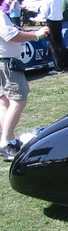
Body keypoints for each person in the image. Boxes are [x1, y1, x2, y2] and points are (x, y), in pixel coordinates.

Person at [0, 12, 50, 161]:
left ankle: (9, 140)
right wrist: (36, 35)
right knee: (18, 100)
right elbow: (11, 35)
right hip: (6, 63)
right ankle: (6, 142)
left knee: (4, 101)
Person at [37, 0, 68, 71]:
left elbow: (45, 11)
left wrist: (37, 19)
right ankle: (65, 64)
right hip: (59, 21)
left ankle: (58, 67)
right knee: (59, 43)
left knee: (53, 45)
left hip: (51, 22)